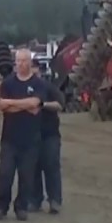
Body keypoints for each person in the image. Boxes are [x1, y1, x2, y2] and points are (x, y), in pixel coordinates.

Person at [0, 49, 45, 221]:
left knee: (26, 176)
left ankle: (21, 207)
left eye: (24, 61)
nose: (21, 64)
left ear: (30, 62)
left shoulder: (38, 83)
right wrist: (24, 106)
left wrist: (12, 104)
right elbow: (1, 105)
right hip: (9, 138)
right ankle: (1, 207)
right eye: (18, 61)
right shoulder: (8, 83)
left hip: (30, 139)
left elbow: (35, 104)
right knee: (5, 175)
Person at [33, 79, 64, 215]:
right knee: (33, 167)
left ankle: (54, 200)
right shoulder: (22, 86)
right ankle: (34, 201)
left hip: (50, 133)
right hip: (30, 134)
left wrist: (43, 104)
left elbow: (60, 104)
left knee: (51, 166)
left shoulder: (48, 86)